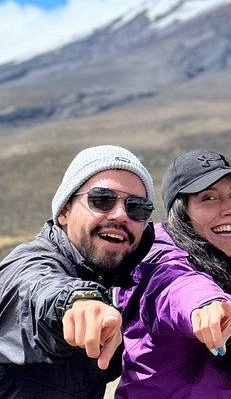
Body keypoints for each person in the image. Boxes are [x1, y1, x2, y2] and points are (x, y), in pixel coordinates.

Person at [117, 149, 231, 398]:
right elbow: (175, 286)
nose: (230, 209)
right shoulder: (157, 259)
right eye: (208, 198)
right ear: (182, 212)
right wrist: (206, 305)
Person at [0, 145, 155, 398]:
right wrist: (78, 301)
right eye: (102, 200)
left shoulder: (116, 279)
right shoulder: (29, 263)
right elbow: (36, 288)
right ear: (64, 211)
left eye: (137, 208)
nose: (120, 215)